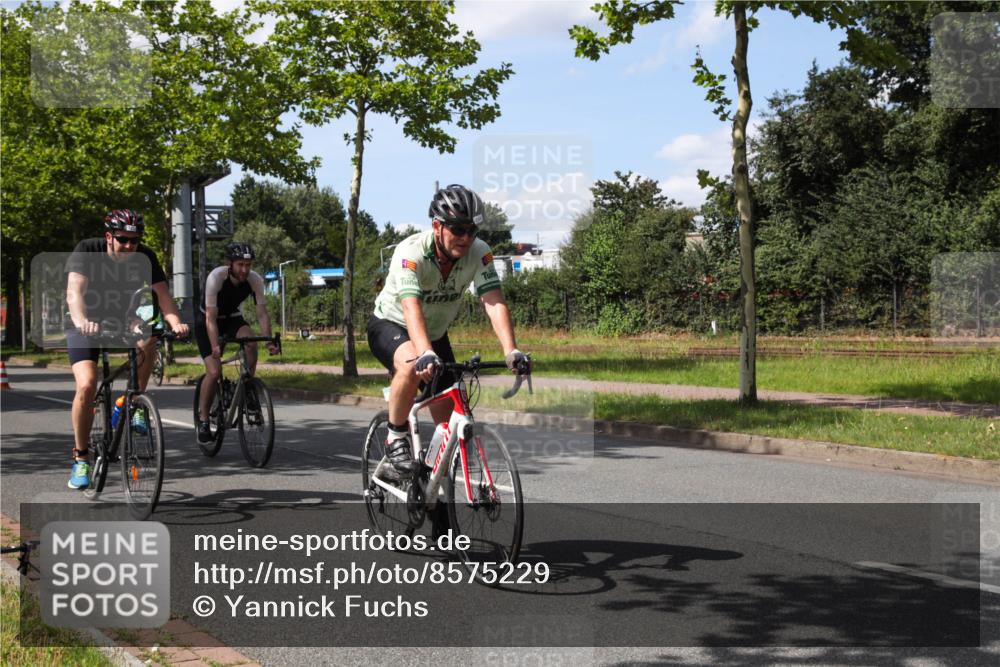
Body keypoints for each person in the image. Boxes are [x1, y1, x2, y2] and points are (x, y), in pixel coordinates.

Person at [367, 184, 531, 479]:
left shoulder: (479, 252)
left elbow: (493, 300)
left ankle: (435, 487)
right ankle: (395, 437)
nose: (466, 238)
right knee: (410, 365)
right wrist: (424, 352)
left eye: (472, 230)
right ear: (437, 226)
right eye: (458, 229)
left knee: (449, 427)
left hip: (434, 334)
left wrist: (511, 350)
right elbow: (411, 307)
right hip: (391, 324)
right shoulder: (410, 253)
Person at [65, 209, 189, 489]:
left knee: (149, 337)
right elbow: (74, 293)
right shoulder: (88, 250)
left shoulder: (144, 256)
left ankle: (132, 400)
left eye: (135, 240)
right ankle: (81, 457)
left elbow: (163, 296)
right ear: (109, 236)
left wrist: (176, 323)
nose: (130, 246)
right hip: (84, 322)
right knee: (87, 385)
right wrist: (82, 322)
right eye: (123, 239)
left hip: (122, 319)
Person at [194, 242, 278, 443]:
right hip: (207, 321)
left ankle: (248, 387)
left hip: (231, 318)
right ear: (230, 264)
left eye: (248, 265)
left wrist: (268, 341)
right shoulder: (216, 278)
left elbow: (262, 313)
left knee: (251, 342)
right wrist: (215, 346)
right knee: (214, 372)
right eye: (240, 264)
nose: (244, 270)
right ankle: (204, 419)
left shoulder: (255, 280)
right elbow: (210, 318)